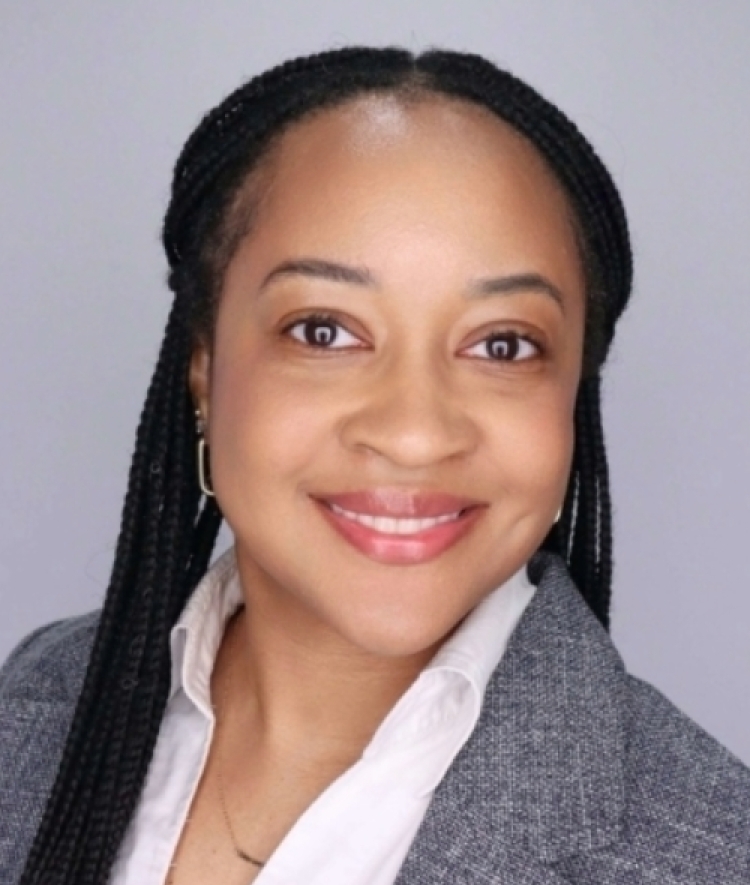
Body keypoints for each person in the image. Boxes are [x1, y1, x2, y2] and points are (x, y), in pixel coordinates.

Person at [1, 45, 748, 885]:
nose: (415, 431)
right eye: (324, 330)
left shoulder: (709, 851)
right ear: (204, 364)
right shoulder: (34, 701)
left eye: (503, 343)